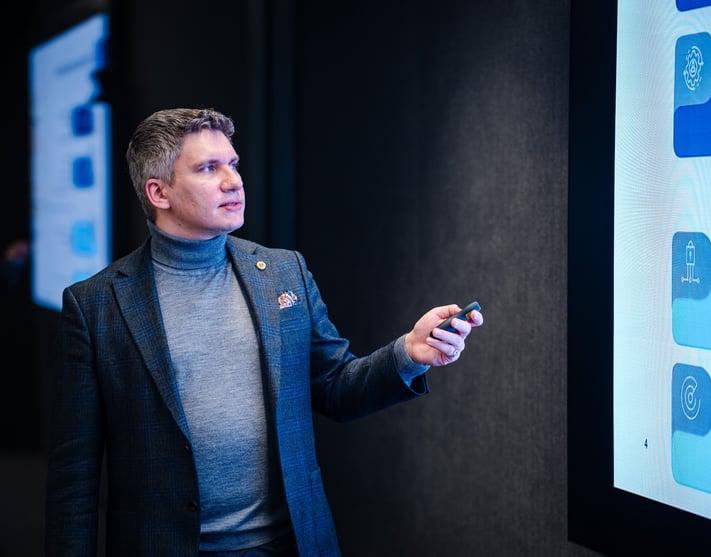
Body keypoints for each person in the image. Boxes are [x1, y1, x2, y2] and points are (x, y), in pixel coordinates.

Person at [44, 107, 483, 557]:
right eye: (208, 168)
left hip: (289, 545)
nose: (233, 181)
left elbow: (335, 388)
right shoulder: (96, 305)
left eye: (233, 164)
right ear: (159, 192)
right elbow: (73, 477)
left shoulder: (283, 272)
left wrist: (408, 353)